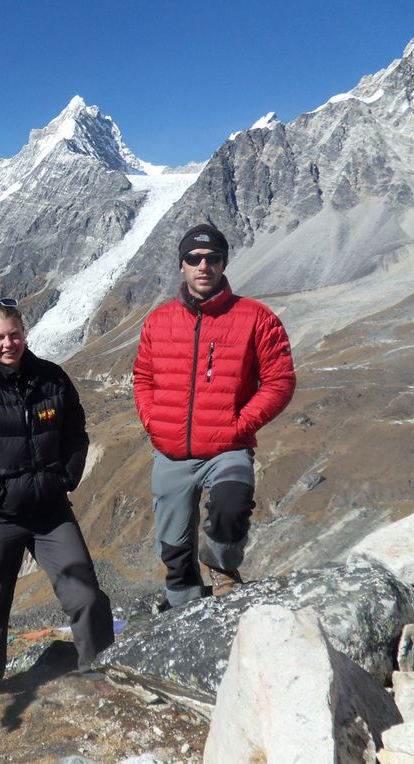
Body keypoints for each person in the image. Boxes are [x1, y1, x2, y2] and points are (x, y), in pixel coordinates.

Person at [0, 298, 115, 711]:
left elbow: (76, 431)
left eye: (14, 334)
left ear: (24, 332)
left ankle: (99, 666)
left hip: (50, 510)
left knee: (84, 591)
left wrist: (65, 477)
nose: (8, 343)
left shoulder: (52, 378)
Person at [132, 223, 296, 608]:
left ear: (224, 263)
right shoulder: (159, 320)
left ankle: (222, 569)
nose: (202, 266)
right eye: (193, 258)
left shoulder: (256, 318)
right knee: (173, 547)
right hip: (171, 449)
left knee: (232, 503)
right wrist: (153, 421)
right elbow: (143, 375)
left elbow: (280, 381)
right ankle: (182, 604)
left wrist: (240, 425)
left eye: (212, 258)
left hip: (227, 446)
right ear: (182, 265)